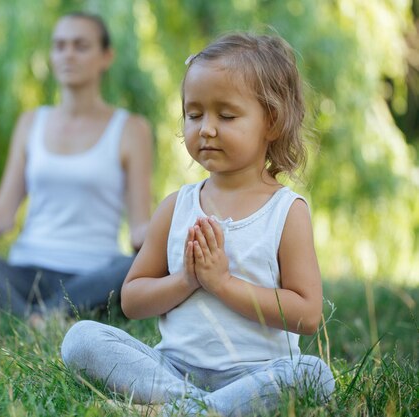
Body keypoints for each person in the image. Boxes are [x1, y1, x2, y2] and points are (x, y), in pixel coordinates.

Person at [61, 32, 335, 416]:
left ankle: (174, 410)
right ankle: (199, 407)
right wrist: (187, 280)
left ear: (271, 122)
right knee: (80, 339)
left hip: (256, 374)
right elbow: (133, 299)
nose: (206, 128)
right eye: (194, 114)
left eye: (226, 115)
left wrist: (222, 284)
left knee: (313, 375)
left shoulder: (285, 211)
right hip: (172, 370)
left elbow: (307, 315)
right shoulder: (177, 207)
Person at [0, 12, 153, 319]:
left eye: (80, 46)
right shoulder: (31, 122)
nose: (68, 54)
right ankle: (39, 318)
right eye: (59, 46)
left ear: (106, 56)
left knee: (132, 268)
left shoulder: (131, 128)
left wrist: (167, 236)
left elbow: (140, 227)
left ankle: (13, 313)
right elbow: (1, 216)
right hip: (22, 276)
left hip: (92, 277)